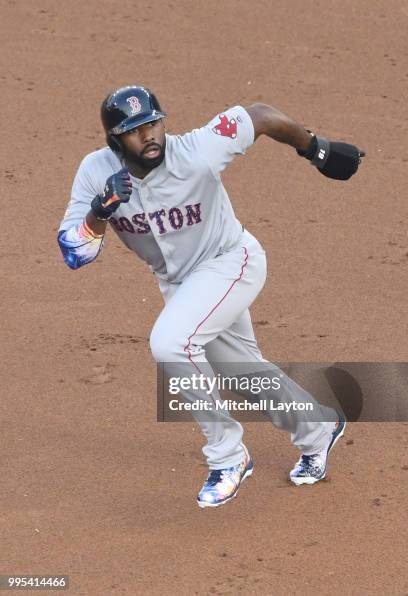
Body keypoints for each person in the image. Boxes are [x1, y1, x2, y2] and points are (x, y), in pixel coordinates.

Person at [58, 85, 364, 508]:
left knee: (169, 343)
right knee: (243, 373)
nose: (149, 135)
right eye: (134, 130)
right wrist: (100, 209)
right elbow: (75, 253)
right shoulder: (96, 173)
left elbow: (260, 115)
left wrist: (316, 149)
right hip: (183, 287)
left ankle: (227, 456)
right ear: (115, 140)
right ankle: (318, 428)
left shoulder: (197, 149)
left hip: (231, 262)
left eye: (153, 123)